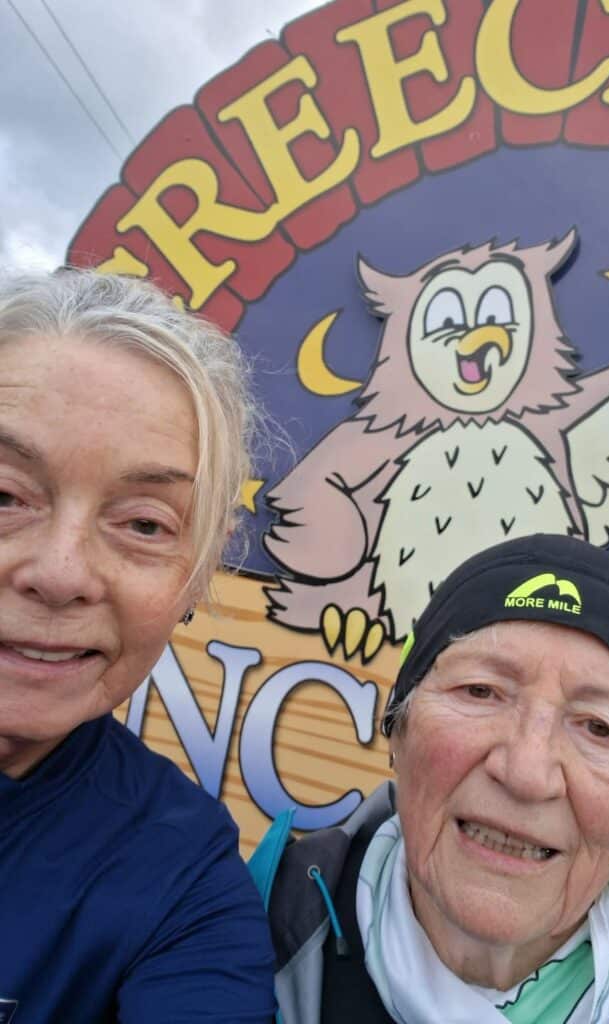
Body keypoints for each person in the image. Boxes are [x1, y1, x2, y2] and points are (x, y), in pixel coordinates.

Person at [255, 534, 609, 1023]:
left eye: (599, 727)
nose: (526, 773)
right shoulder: (239, 928)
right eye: (481, 691)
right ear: (398, 728)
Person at [0, 269, 275, 1022]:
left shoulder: (183, 885)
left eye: (145, 524)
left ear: (195, 578)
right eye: (5, 494)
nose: (61, 574)